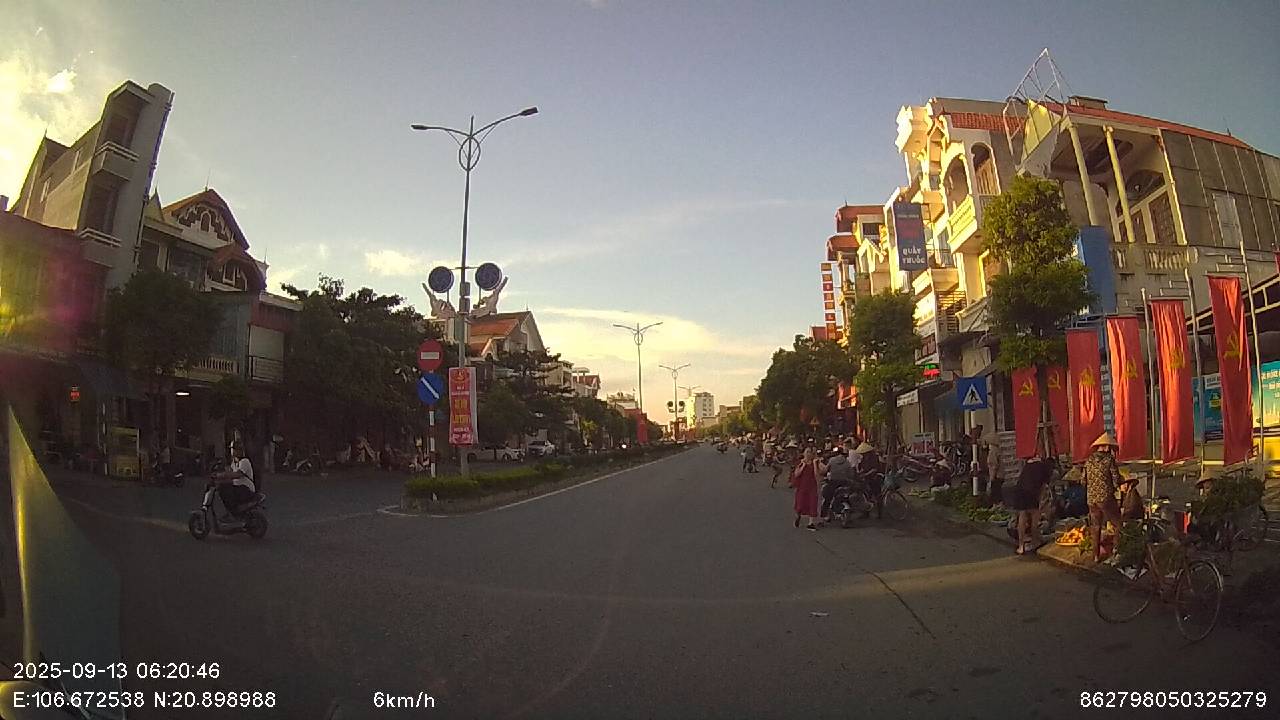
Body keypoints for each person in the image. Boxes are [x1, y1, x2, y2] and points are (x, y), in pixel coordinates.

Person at [1083, 432, 1124, 563]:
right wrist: (1119, 484)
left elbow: (1083, 480)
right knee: (1118, 524)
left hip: (1091, 499)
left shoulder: (1089, 460)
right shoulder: (1109, 460)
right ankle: (1116, 552)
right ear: (1106, 447)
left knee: (1096, 526)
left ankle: (1095, 556)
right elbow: (1116, 478)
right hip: (1105, 497)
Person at [1010, 456, 1054, 555]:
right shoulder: (1046, 469)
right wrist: (1039, 503)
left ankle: (1021, 546)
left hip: (1019, 490)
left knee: (1022, 515)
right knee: (1035, 516)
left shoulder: (1030, 463)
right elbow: (1042, 488)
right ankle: (1035, 541)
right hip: (1031, 492)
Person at [214, 444, 257, 521]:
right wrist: (218, 479)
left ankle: (233, 513)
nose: (233, 451)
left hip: (246, 489)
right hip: (238, 488)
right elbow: (229, 474)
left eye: (235, 449)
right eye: (232, 449)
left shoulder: (244, 461)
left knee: (226, 491)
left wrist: (220, 475)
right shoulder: (234, 463)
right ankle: (231, 513)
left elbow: (237, 474)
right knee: (222, 488)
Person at [821, 440, 857, 521]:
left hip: (833, 482)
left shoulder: (832, 460)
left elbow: (825, 470)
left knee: (827, 498)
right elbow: (851, 474)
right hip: (845, 483)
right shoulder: (847, 462)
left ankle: (824, 514)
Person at [791, 447, 825, 531]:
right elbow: (796, 474)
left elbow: (817, 474)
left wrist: (815, 464)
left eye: (810, 452)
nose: (808, 454)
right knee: (801, 503)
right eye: (807, 452)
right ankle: (798, 515)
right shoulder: (801, 462)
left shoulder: (816, 462)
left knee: (812, 503)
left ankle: (811, 523)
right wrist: (803, 465)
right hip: (802, 486)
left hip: (812, 486)